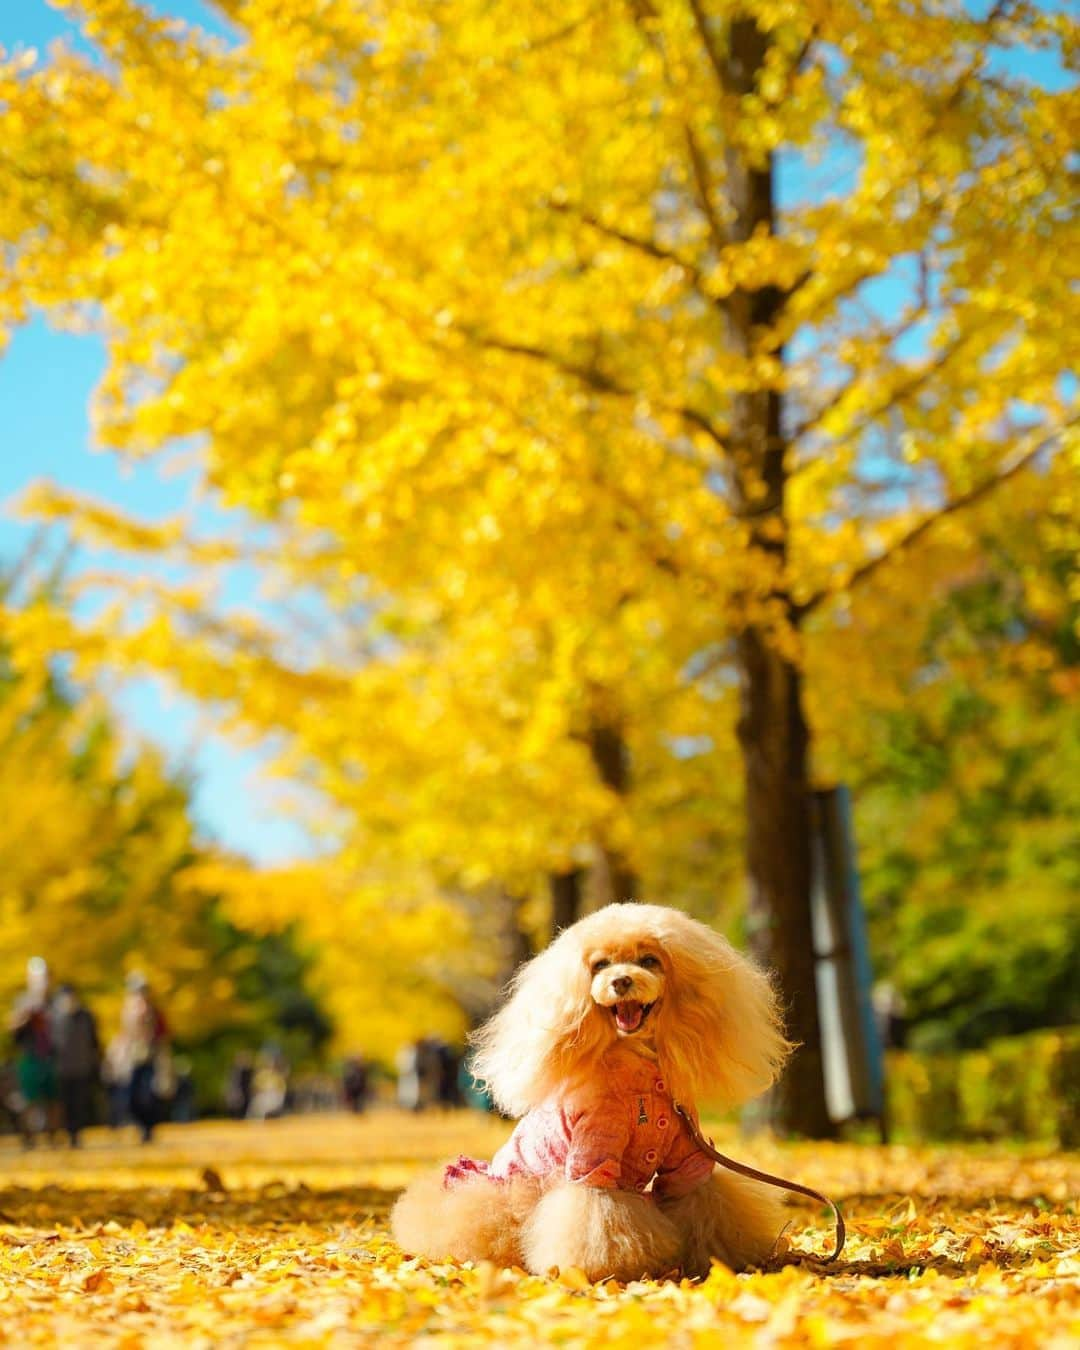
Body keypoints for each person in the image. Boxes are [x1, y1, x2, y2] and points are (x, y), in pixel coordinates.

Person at [9, 957, 58, 1146]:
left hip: (52, 1055)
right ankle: (29, 1138)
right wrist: (23, 1016)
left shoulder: (55, 1000)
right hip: (29, 1055)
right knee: (29, 1099)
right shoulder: (22, 1001)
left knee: (53, 1099)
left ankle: (53, 1137)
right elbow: (12, 1029)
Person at [120, 973, 170, 1143]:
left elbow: (163, 1037)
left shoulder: (155, 1013)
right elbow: (124, 1036)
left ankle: (148, 1130)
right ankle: (141, 1126)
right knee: (131, 1097)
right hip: (132, 1059)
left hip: (151, 1058)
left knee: (149, 1096)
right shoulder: (127, 1012)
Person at [53, 984, 101, 1147]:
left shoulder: (86, 1016)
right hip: (62, 1068)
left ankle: (76, 1134)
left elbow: (94, 1041)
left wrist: (96, 1061)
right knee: (64, 1104)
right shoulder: (55, 1017)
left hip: (81, 1067)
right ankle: (66, 1133)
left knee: (79, 1103)